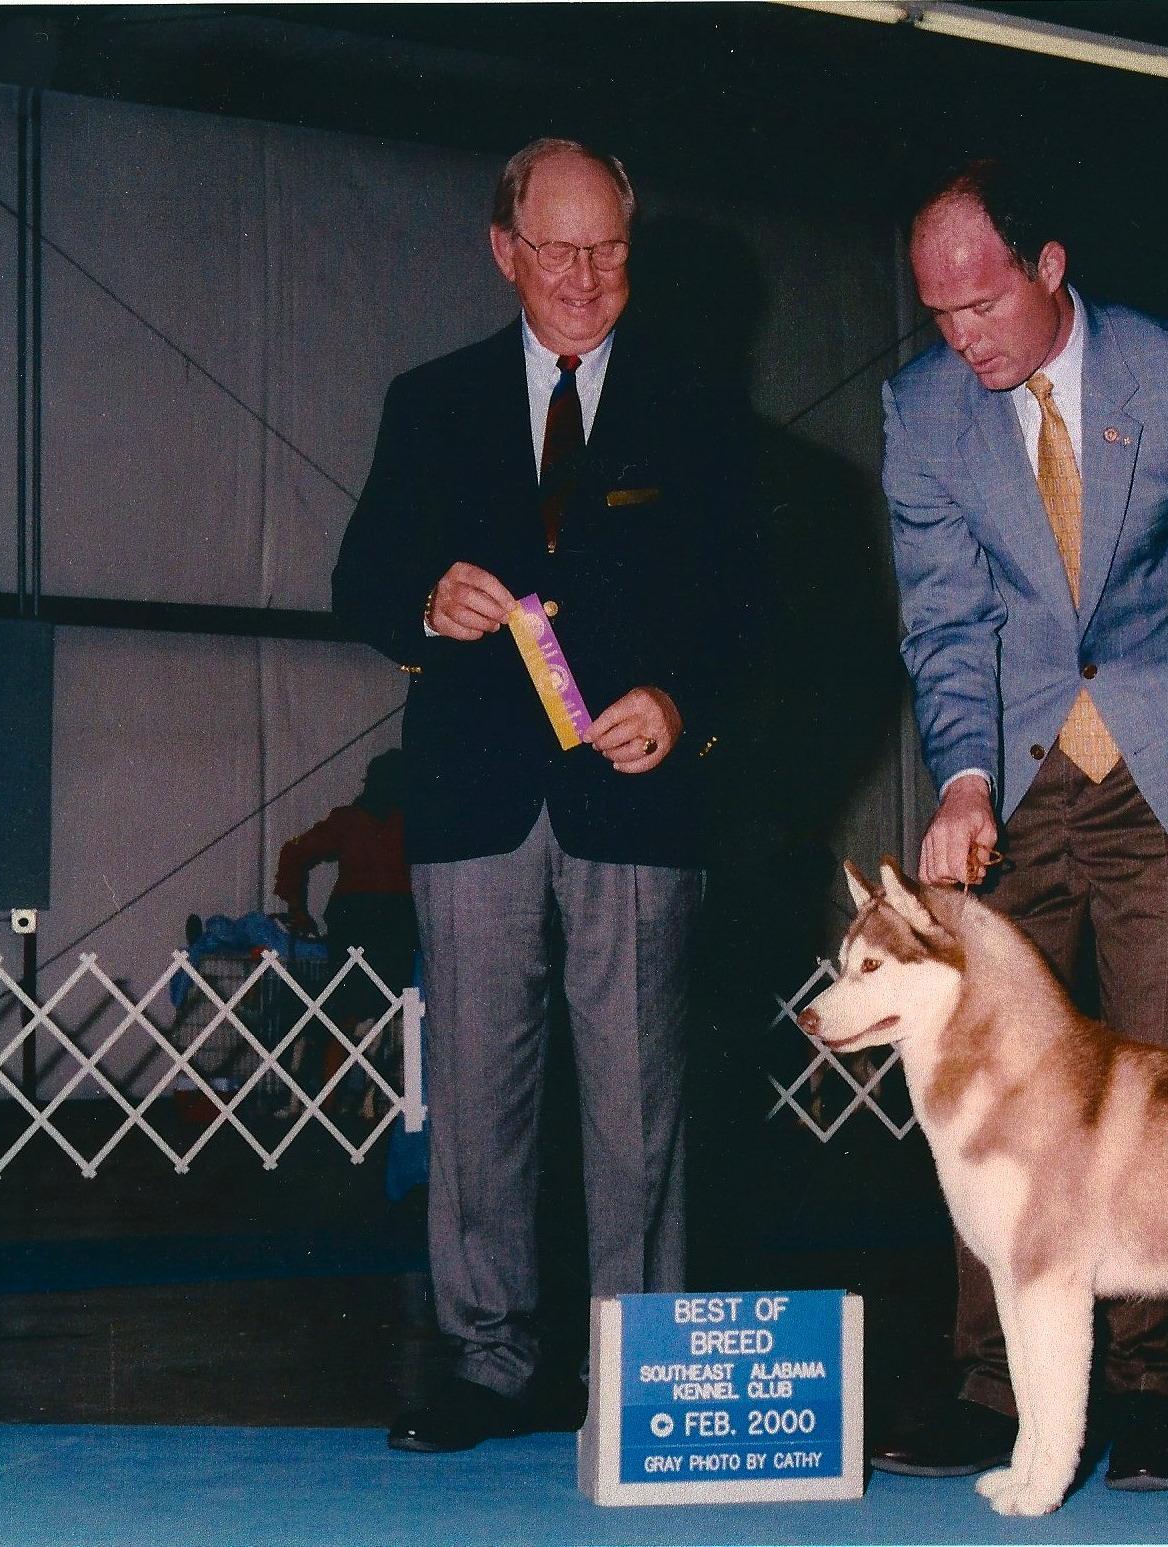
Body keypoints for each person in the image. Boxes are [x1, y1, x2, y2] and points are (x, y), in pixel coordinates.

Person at [873, 159, 1168, 1492]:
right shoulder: (922, 413)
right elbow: (944, 618)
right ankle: (989, 1384)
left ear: (1048, 266)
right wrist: (962, 778)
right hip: (1012, 787)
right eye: (938, 313)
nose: (962, 337)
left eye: (982, 304)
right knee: (989, 1100)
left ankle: (1154, 1388)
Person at [331, 138, 749, 1453]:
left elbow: (754, 607)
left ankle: (643, 1368)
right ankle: (487, 1361)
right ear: (502, 250)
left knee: (641, 1104)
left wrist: (683, 703)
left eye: (608, 248)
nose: (583, 275)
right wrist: (421, 600)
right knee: (475, 1098)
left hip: (637, 798)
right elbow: (360, 579)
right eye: (557, 248)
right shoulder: (427, 402)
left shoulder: (700, 408)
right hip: (473, 798)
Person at [271, 748, 417, 1109]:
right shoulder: (368, 821)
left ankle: (342, 1100)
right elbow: (293, 853)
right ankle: (342, 1101)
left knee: (355, 1014)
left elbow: (293, 853)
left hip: (380, 927)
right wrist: (296, 909)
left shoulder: (365, 821)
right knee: (363, 1014)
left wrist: (297, 908)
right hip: (375, 928)